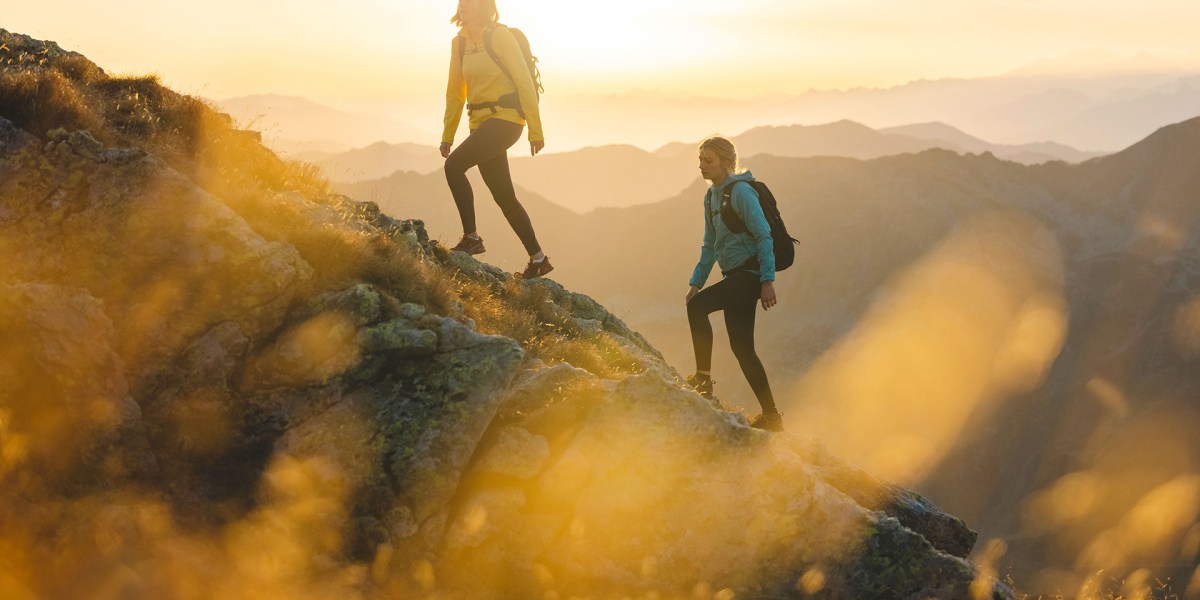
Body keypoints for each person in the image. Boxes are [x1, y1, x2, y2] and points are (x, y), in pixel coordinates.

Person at [441, 0, 553, 279]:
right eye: (461, 2)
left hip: (506, 120)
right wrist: (448, 134)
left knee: (454, 167)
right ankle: (538, 258)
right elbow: (455, 92)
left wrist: (535, 130)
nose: (463, 5)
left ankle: (472, 238)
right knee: (504, 196)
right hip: (479, 124)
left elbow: (524, 80)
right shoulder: (460, 44)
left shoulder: (500, 36)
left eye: (469, 1)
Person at [685, 136, 783, 431]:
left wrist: (767, 280)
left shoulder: (740, 192)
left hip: (749, 276)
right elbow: (710, 244)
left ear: (727, 163)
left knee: (698, 309)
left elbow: (764, 235)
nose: (702, 166)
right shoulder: (711, 197)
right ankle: (772, 417)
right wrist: (696, 282)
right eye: (700, 160)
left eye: (708, 161)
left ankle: (703, 380)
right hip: (735, 277)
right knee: (742, 347)